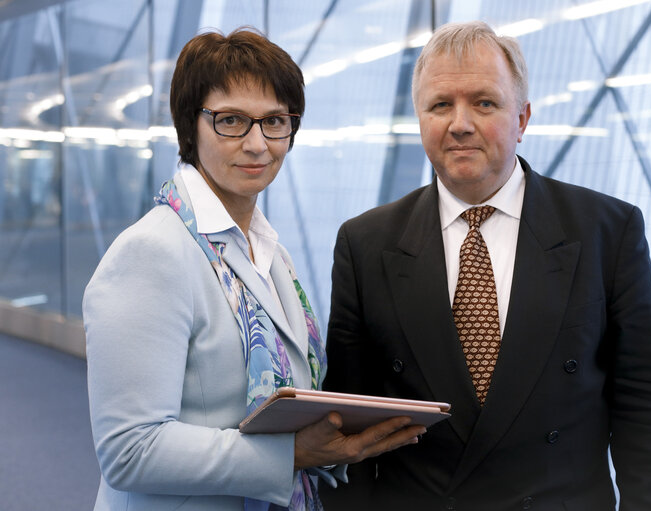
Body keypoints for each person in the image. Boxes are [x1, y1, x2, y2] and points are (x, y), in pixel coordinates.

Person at [320, 21, 651, 511]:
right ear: (419, 117)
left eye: (484, 103)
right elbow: (351, 428)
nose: (460, 123)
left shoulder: (606, 231)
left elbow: (647, 409)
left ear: (523, 118)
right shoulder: (365, 244)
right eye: (440, 105)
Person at [83, 27, 424, 511]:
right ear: (189, 126)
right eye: (231, 121)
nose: (258, 143)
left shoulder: (267, 250)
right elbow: (129, 450)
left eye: (275, 121)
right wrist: (290, 454)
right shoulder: (152, 252)